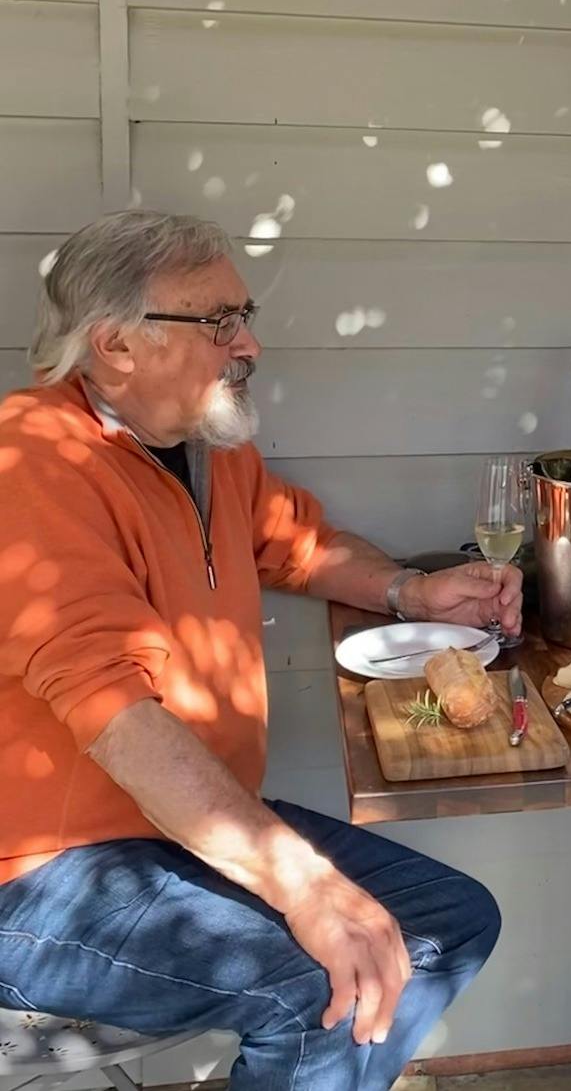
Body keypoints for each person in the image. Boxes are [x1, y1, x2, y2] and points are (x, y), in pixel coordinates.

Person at [0, 211, 520, 1090]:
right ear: (116, 344)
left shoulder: (205, 450)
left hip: (180, 835)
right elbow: (119, 716)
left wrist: (412, 591)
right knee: (308, 984)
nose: (250, 343)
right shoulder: (31, 461)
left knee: (450, 917)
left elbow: (296, 542)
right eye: (217, 323)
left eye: (241, 315)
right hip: (45, 875)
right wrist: (305, 887)